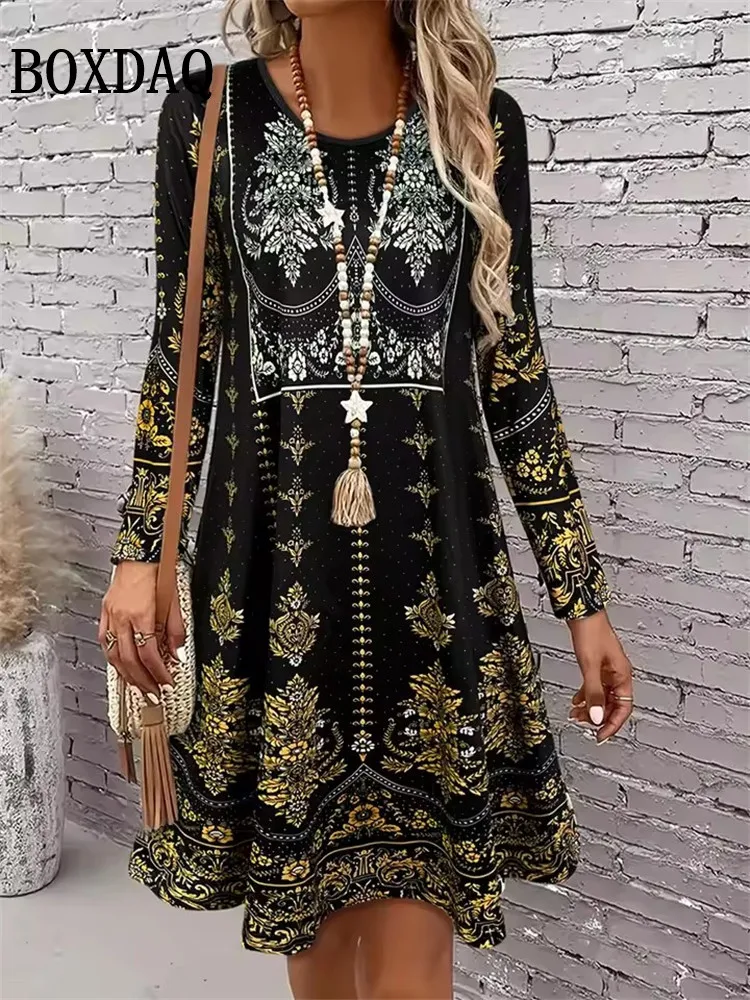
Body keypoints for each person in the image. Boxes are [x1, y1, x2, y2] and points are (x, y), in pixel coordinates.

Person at [99, 1, 635, 997]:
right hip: (271, 576)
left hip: (434, 585)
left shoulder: (479, 122)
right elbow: (183, 351)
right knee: (312, 933)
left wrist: (582, 599)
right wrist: (140, 553)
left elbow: (514, 370)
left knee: (412, 949)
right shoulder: (209, 115)